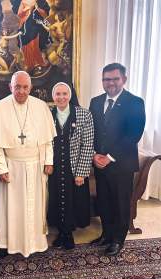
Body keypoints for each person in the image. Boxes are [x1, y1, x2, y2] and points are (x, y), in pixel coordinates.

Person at [0, 70, 56, 258]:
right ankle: (6, 243)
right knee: (10, 207)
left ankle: (35, 242)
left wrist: (48, 161)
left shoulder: (41, 107)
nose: (21, 91)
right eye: (17, 86)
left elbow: (47, 141)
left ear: (31, 88)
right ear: (10, 86)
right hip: (11, 166)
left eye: (25, 87)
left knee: (34, 206)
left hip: (36, 166)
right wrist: (1, 168)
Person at [89, 63, 146, 256]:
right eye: (106, 79)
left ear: (124, 79)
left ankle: (117, 240)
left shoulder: (135, 102)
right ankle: (106, 234)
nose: (110, 83)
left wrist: (110, 157)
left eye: (115, 78)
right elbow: (92, 132)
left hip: (121, 164)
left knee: (120, 203)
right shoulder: (95, 102)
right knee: (104, 202)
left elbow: (133, 135)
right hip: (99, 163)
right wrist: (94, 154)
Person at [48, 82, 94, 250]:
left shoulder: (84, 114)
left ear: (70, 95)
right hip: (54, 166)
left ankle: (68, 234)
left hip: (74, 166)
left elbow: (88, 145)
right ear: (53, 97)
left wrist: (81, 172)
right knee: (57, 198)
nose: (61, 97)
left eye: (64, 94)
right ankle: (61, 232)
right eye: (57, 94)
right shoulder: (48, 114)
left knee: (72, 199)